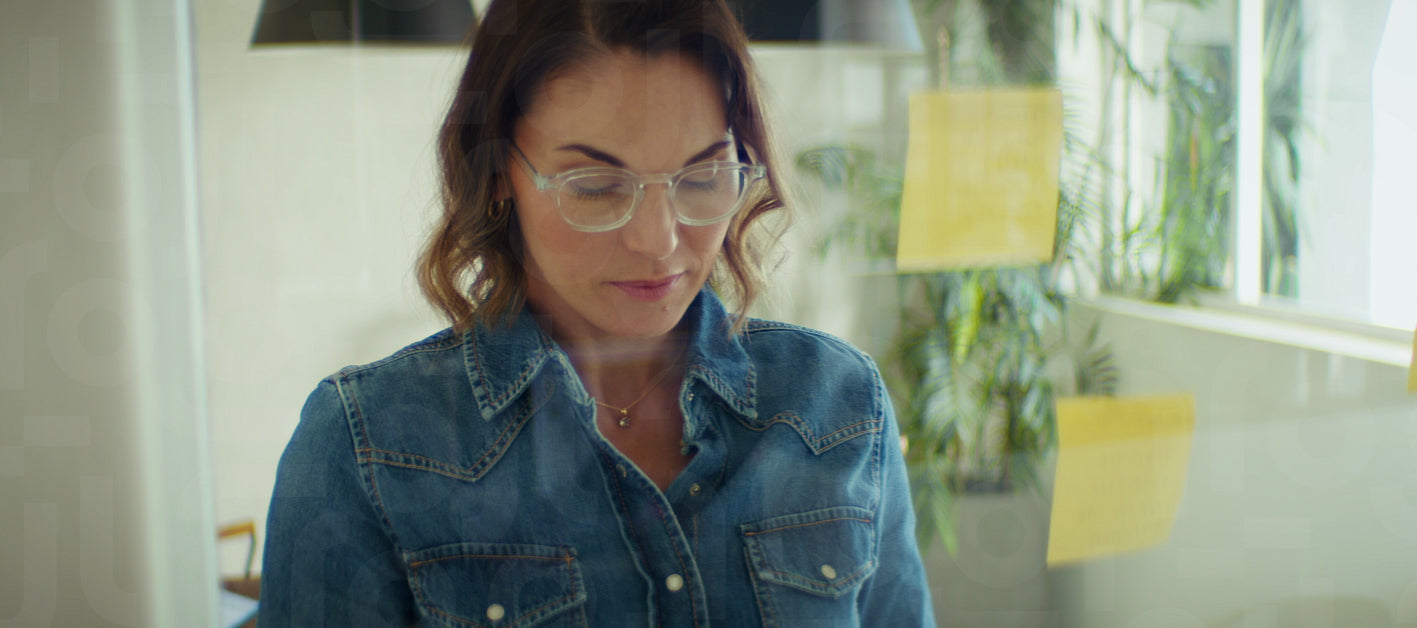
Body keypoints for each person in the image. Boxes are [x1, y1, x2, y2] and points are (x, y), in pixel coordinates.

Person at [260, 0, 935, 625]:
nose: (658, 241)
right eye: (597, 186)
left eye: (702, 177)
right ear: (497, 172)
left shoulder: (841, 407)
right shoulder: (366, 449)